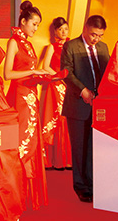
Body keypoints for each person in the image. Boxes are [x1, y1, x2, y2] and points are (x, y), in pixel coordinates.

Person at [4, 0, 53, 210]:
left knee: (32, 144)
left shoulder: (29, 45)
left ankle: (29, 196)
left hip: (31, 99)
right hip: (19, 99)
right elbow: (8, 74)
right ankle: (16, 194)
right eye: (34, 24)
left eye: (38, 25)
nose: (36, 28)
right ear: (23, 21)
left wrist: (42, 77)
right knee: (20, 144)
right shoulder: (13, 42)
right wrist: (33, 72)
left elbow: (28, 73)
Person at [61, 14, 109, 203]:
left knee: (95, 147)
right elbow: (67, 73)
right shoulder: (71, 46)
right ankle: (82, 187)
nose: (96, 39)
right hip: (78, 105)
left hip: (100, 106)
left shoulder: (103, 48)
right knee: (80, 148)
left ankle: (95, 183)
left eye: (100, 35)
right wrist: (83, 91)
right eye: (93, 34)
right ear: (85, 29)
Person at [40, 16, 72, 170]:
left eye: (66, 29)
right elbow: (46, 66)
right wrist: (60, 77)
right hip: (57, 85)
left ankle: (68, 160)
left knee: (69, 119)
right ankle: (56, 160)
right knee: (58, 119)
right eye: (60, 29)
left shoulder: (72, 45)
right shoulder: (51, 47)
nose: (64, 32)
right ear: (55, 32)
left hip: (70, 85)